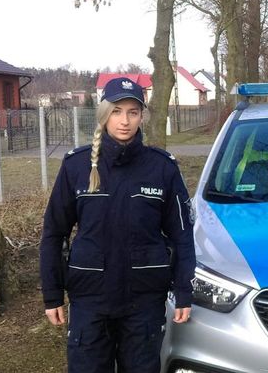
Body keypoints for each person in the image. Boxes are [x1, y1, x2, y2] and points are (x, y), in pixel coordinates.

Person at [40, 77, 196, 373]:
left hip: (144, 301)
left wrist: (183, 291)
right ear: (104, 114)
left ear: (141, 116)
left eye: (132, 112)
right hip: (90, 300)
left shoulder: (162, 167)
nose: (125, 121)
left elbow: (182, 236)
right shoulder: (76, 166)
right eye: (116, 111)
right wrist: (52, 294)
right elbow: (53, 234)